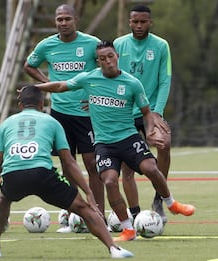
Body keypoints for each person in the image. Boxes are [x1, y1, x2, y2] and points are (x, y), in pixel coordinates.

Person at [35, 40, 195, 242]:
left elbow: (146, 113)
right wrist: (34, 87)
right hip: (104, 144)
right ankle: (128, 230)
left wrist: (151, 132)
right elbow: (60, 85)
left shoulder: (132, 83)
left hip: (128, 138)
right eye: (102, 58)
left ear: (117, 56)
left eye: (110, 56)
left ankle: (171, 204)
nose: (107, 61)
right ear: (98, 61)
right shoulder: (88, 78)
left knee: (151, 168)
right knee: (110, 181)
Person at [0, 85, 133, 259]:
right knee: (83, 208)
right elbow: (68, 162)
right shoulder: (52, 122)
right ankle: (114, 249)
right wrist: (88, 193)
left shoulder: (5, 124)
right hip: (42, 175)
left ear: (19, 104)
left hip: (13, 176)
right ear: (41, 104)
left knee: (1, 202)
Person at [23, 4, 105, 232]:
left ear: (76, 20)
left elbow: (107, 68)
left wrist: (96, 93)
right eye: (59, 19)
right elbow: (29, 65)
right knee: (68, 166)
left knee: (92, 164)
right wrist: (47, 85)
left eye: (67, 19)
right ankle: (74, 215)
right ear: (55, 22)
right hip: (59, 114)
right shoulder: (47, 45)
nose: (63, 23)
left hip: (86, 114)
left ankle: (100, 216)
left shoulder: (91, 43)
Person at [113, 5, 172, 223]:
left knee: (164, 144)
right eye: (135, 22)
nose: (139, 25)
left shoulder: (160, 46)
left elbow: (165, 80)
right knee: (127, 168)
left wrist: (157, 112)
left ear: (150, 22)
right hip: (126, 113)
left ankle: (159, 199)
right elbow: (109, 76)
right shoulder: (119, 44)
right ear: (129, 22)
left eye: (143, 22)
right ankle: (136, 214)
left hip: (152, 111)